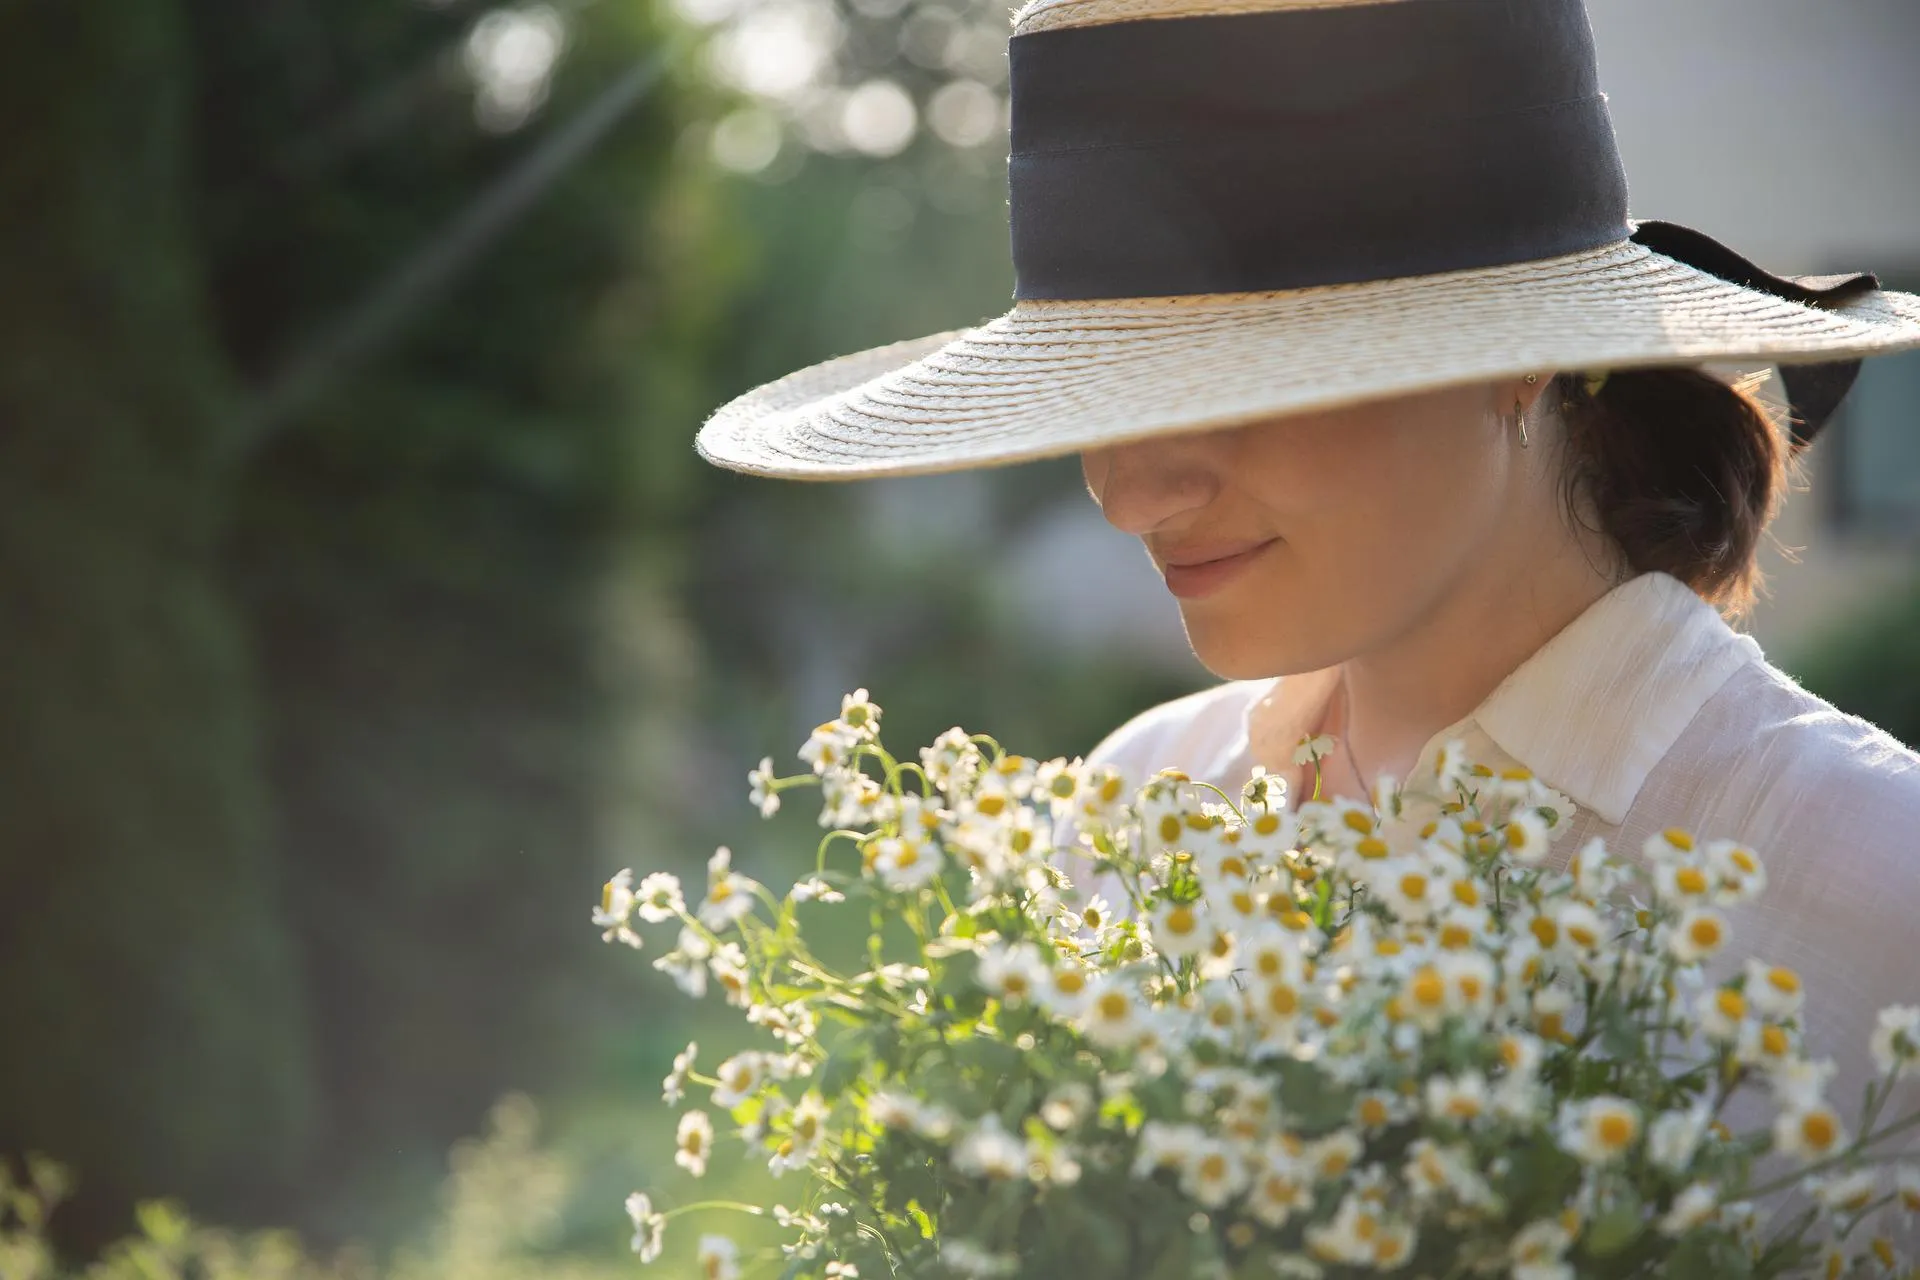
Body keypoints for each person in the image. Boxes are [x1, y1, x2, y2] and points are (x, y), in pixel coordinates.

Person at [695, 0, 1920, 1233]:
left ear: (1517, 353)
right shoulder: (1136, 811)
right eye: (1099, 395)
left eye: (1241, 385)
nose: (1129, 494)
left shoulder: (1880, 895)